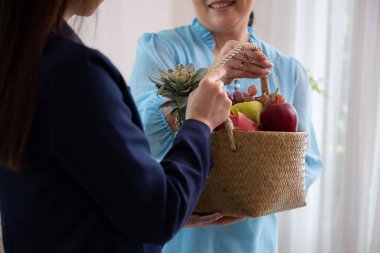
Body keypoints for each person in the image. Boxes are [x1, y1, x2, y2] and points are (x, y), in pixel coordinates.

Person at [0, 0, 262, 252]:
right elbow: (157, 212)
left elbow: (76, 198)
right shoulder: (75, 73)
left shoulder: (21, 61)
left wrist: (174, 204)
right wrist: (200, 121)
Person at [129, 0, 324, 252]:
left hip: (256, 244)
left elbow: (308, 162)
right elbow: (138, 140)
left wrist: (259, 186)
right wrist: (211, 76)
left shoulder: (288, 70)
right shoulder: (160, 49)